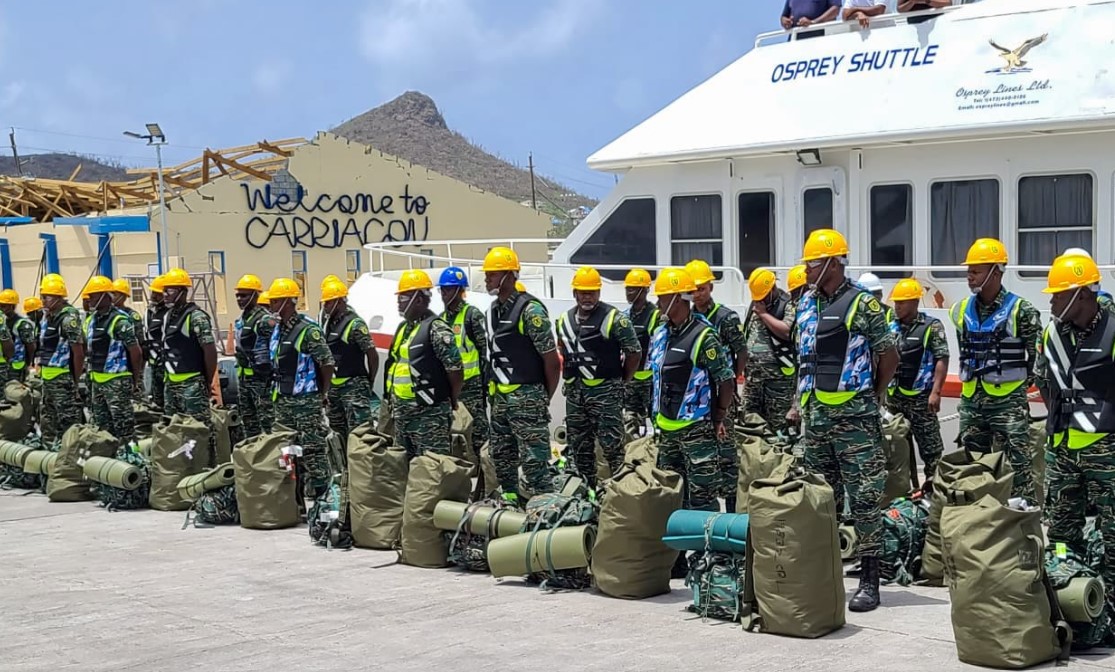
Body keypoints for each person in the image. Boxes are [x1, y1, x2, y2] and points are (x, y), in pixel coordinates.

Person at [790, 228, 898, 612]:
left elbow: (888, 355)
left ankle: (870, 580)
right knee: (821, 499)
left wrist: (874, 393)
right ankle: (825, 574)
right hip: (816, 418)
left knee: (865, 499)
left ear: (834, 263)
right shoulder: (805, 304)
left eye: (813, 263)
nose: (806, 270)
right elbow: (802, 360)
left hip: (854, 420)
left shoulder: (862, 305)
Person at [1036, 253, 1115, 621]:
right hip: (1062, 450)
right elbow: (1043, 380)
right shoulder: (1052, 332)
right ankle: (1072, 599)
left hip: (1106, 450)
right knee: (1063, 534)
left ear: (1081, 295)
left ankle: (1110, 610)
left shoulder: (1113, 328)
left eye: (1057, 294)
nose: (1051, 301)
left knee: (1113, 534)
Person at [950, 238, 1042, 502]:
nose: (969, 276)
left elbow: (1036, 355)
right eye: (968, 270)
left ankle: (1023, 520)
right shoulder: (959, 311)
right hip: (971, 401)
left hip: (1008, 402)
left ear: (996, 271)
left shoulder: (1021, 310)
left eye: (975, 270)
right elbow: (964, 348)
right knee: (972, 462)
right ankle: (978, 514)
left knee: (1018, 465)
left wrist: (1022, 385)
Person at [647, 267, 735, 512]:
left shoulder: (704, 336)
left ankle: (708, 550)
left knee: (702, 498)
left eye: (662, 298)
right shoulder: (661, 333)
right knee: (673, 497)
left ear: (677, 298)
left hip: (696, 431)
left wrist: (719, 416)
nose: (657, 304)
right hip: (667, 431)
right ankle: (680, 550)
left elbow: (725, 381)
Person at [483, 246, 561, 504]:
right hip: (501, 400)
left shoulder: (531, 311)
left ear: (509, 275)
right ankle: (510, 506)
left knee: (534, 463)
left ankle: (546, 512)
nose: (487, 279)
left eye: (493, 275)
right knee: (502, 459)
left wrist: (541, 397)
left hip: (528, 397)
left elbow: (552, 361)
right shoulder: (493, 311)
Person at [555, 266, 640, 489]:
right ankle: (587, 492)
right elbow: (561, 349)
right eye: (583, 292)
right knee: (579, 448)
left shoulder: (615, 319)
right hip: (575, 395)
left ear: (599, 293)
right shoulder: (563, 320)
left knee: (613, 448)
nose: (587, 297)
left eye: (591, 292)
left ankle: (621, 493)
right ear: (575, 293)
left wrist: (622, 381)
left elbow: (634, 352)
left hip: (606, 393)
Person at [267, 277, 335, 499]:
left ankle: (323, 496)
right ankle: (293, 497)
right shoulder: (278, 330)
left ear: (288, 302)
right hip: (283, 400)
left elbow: (327, 363)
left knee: (312, 449)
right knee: (287, 450)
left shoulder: (307, 331)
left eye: (275, 302)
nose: (271, 307)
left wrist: (322, 394)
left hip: (305, 401)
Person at [686, 258, 745, 511]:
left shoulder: (725, 317)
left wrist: (732, 380)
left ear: (711, 287)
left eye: (702, 288)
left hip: (722, 392)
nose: (697, 294)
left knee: (727, 454)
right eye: (693, 289)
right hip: (695, 397)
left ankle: (731, 509)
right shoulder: (684, 317)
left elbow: (741, 351)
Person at [388, 270, 462, 460]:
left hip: (428, 414)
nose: (399, 302)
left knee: (432, 467)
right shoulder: (404, 328)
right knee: (404, 465)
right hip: (403, 412)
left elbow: (455, 369)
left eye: (403, 297)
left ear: (419, 299)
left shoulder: (436, 328)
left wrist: (450, 400)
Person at [886, 278, 948, 484]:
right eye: (895, 303)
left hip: (921, 400)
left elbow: (942, 358)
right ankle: (906, 488)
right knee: (897, 450)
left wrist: (936, 392)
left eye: (901, 303)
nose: (897, 307)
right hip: (895, 400)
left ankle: (935, 490)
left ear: (914, 302)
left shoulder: (932, 326)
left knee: (931, 451)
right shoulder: (890, 327)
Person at [161, 269, 220, 465]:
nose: (165, 294)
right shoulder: (168, 316)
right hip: (172, 383)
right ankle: (182, 468)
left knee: (199, 430)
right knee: (174, 429)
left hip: (192, 384)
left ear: (182, 291)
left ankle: (207, 467)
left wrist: (208, 379)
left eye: (169, 290)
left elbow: (209, 350)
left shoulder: (196, 317)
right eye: (164, 290)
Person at [84, 276, 144, 444]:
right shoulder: (91, 320)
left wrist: (134, 379)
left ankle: (132, 460)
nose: (90, 299)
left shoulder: (120, 320)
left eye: (94, 295)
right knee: (102, 428)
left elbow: (136, 352)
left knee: (124, 428)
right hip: (97, 381)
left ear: (105, 296)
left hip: (116, 382)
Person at [438, 266, 488, 462]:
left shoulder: (472, 316)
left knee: (478, 433)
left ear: (460, 291)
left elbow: (485, 352)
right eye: (442, 289)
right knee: (453, 432)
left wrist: (485, 384)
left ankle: (485, 478)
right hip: (450, 387)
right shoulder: (441, 319)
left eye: (449, 289)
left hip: (472, 386)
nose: (444, 294)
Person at [322, 278, 378, 439]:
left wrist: (370, 380)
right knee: (338, 432)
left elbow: (372, 354)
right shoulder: (329, 323)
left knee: (360, 433)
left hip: (354, 386)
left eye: (328, 303)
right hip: (335, 388)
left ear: (339, 302)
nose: (325, 307)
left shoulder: (355, 324)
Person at [741, 268, 796, 433]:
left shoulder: (787, 305)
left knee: (778, 425)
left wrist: (764, 314)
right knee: (749, 420)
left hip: (778, 379)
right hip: (753, 378)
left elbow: (787, 331)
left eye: (764, 296)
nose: (761, 300)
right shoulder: (756, 304)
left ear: (772, 289)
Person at [37, 274, 85, 447]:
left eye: (46, 297)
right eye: (42, 296)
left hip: (62, 378)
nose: (42, 300)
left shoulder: (67, 318)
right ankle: (50, 457)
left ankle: (71, 460)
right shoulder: (47, 317)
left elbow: (78, 352)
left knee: (68, 424)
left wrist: (74, 380)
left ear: (58, 296)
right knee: (48, 421)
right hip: (48, 379)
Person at [234, 274, 276, 439]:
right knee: (249, 422)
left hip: (260, 380)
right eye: (237, 295)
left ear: (254, 295)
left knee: (267, 422)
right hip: (244, 379)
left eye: (244, 295)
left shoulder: (263, 318)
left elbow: (272, 327)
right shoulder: (243, 318)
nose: (239, 299)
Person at [623, 268, 658, 432]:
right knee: (631, 424)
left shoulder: (655, 316)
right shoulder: (624, 316)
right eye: (627, 289)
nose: (628, 293)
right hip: (631, 380)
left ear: (644, 290)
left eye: (632, 289)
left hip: (651, 381)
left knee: (657, 422)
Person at [145, 275, 168, 410]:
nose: (153, 296)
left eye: (157, 293)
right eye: (153, 292)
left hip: (167, 366)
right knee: (157, 403)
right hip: (154, 365)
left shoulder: (169, 313)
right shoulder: (150, 312)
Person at [0, 290, 32, 383]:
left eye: (3, 306)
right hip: (4, 366)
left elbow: (31, 346)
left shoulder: (21, 324)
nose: (1, 308)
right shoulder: (2, 321)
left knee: (15, 395)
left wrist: (28, 363)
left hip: (16, 365)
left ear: (11, 306)